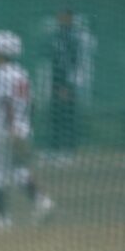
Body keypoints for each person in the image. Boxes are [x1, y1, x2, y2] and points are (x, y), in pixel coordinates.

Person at [0, 30, 54, 232]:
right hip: (23, 127)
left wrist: (11, 127)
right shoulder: (22, 73)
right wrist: (23, 127)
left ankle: (1, 219)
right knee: (19, 170)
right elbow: (31, 104)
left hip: (5, 129)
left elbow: (6, 102)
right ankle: (42, 201)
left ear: (1, 52)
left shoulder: (1, 73)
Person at [49, 9, 80, 162]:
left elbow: (73, 63)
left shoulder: (74, 36)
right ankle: (55, 150)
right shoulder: (57, 35)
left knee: (67, 116)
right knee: (55, 116)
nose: (60, 19)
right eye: (59, 16)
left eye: (64, 16)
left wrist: (67, 85)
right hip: (56, 80)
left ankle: (68, 151)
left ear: (70, 18)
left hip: (68, 82)